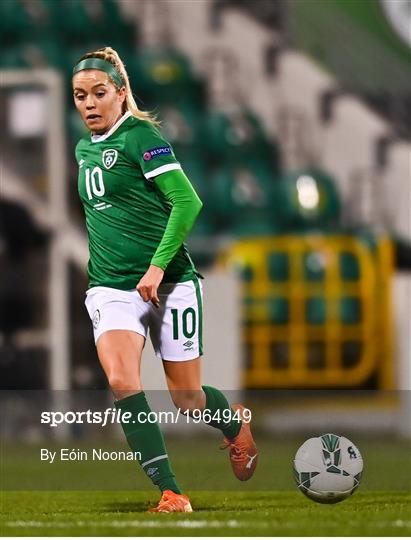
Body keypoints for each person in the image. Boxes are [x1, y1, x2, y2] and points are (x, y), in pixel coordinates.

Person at [72, 46, 258, 513]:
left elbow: (188, 202)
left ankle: (234, 424)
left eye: (98, 93)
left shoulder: (142, 136)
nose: (89, 104)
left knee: (188, 399)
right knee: (121, 380)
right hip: (112, 288)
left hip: (170, 282)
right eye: (79, 96)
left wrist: (156, 266)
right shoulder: (82, 148)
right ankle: (172, 492)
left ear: (119, 92)